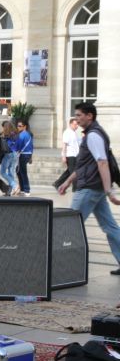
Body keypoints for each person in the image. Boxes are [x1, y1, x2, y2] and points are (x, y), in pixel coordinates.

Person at [57, 102, 120, 275]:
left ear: (89, 116)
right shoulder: (93, 134)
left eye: (78, 115)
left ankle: (62, 266)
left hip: (89, 189)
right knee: (110, 226)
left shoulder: (93, 136)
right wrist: (68, 181)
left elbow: (102, 162)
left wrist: (109, 190)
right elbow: (86, 165)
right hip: (94, 188)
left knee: (70, 226)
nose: (76, 119)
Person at [54, 118, 82, 191]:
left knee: (69, 172)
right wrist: (64, 156)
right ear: (70, 124)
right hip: (70, 155)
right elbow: (64, 145)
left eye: (77, 124)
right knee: (73, 172)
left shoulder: (74, 133)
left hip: (75, 155)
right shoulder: (67, 132)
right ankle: (75, 188)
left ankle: (57, 183)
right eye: (75, 124)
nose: (76, 126)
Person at [0, 121, 20, 196]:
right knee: (11, 172)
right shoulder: (16, 134)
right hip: (15, 154)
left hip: (8, 154)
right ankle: (12, 190)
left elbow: (3, 143)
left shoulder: (6, 135)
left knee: (2, 172)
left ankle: (15, 185)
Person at [15, 119, 34, 196]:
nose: (18, 127)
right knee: (18, 171)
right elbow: (32, 146)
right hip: (28, 154)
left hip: (23, 154)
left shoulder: (22, 135)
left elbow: (18, 146)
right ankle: (23, 188)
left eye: (20, 126)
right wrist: (31, 156)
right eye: (18, 126)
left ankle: (26, 189)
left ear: (25, 127)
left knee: (22, 172)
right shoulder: (29, 134)